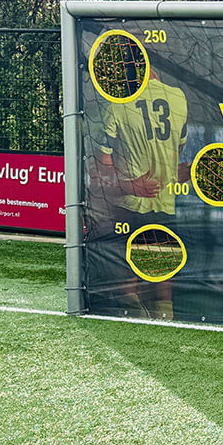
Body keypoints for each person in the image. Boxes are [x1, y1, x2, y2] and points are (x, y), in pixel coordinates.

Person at [93, 69, 190, 319]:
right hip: (165, 200)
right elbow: (179, 148)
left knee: (129, 273)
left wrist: (129, 186)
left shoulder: (117, 103)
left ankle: (132, 311)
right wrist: (168, 169)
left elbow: (102, 164)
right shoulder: (179, 97)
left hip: (129, 203)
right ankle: (165, 316)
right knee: (163, 267)